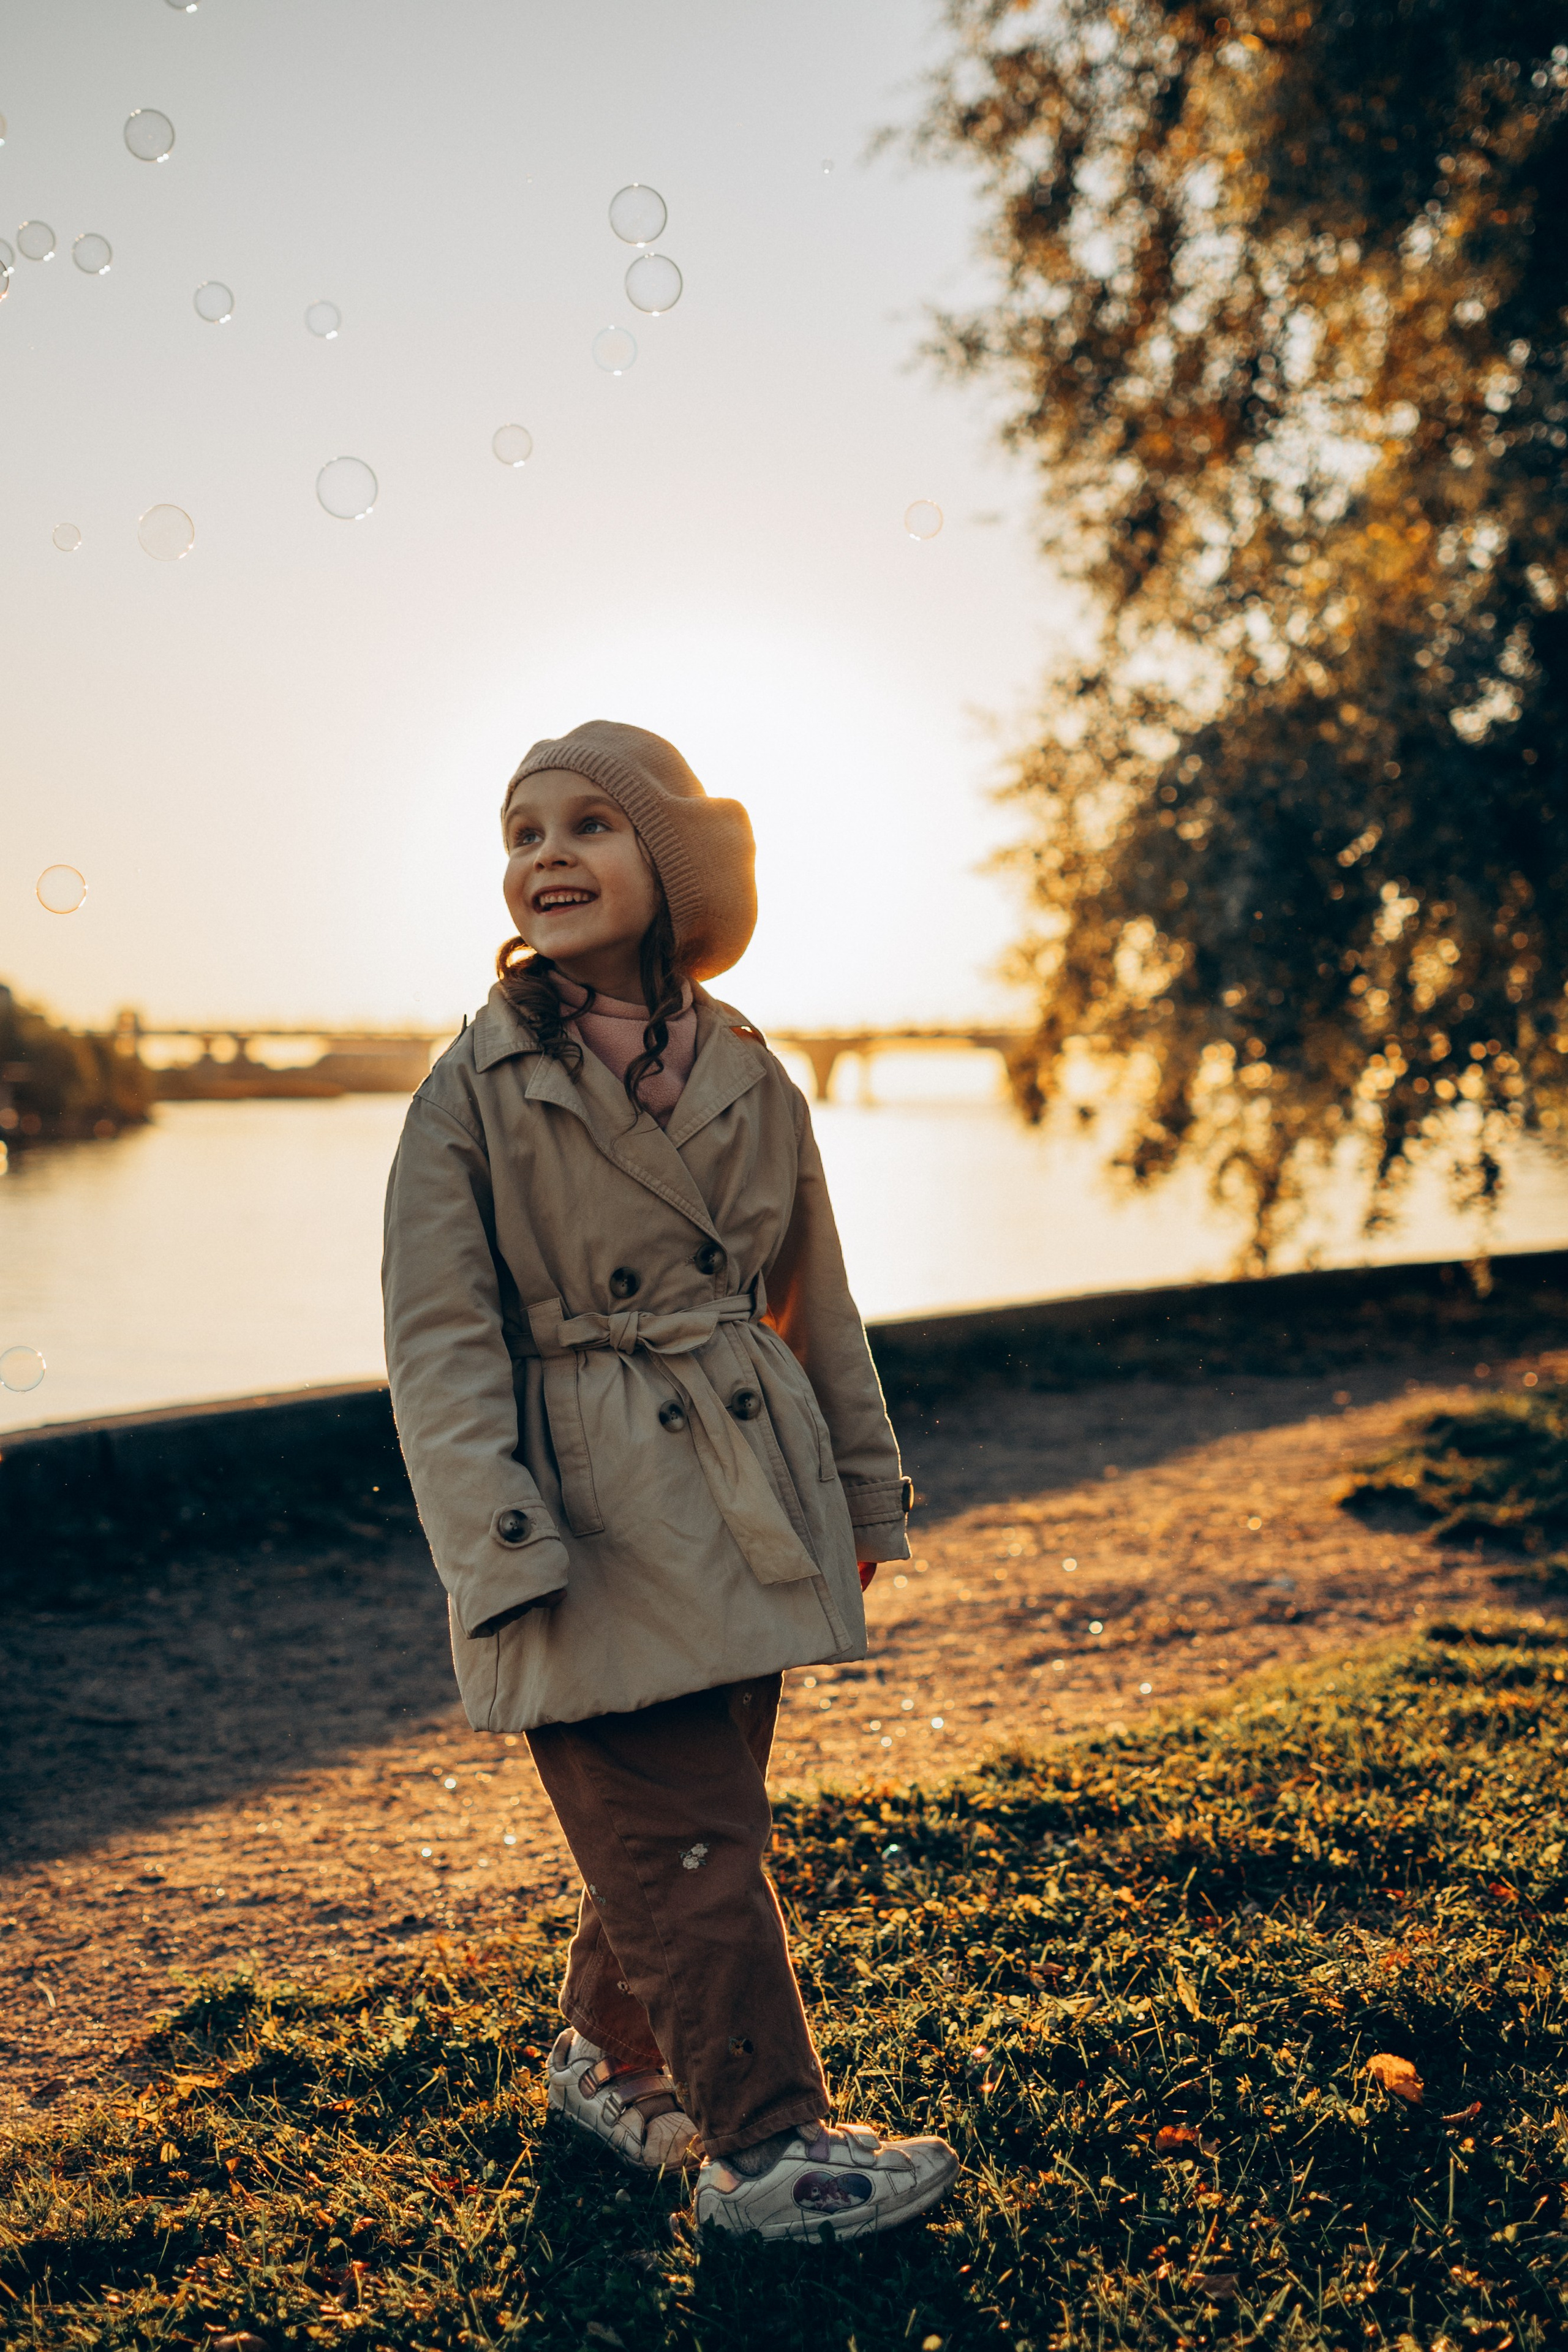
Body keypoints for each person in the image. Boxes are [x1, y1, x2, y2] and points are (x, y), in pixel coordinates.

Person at [382, 720, 958, 2244]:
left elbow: (810, 1304)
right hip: (582, 1515)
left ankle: (604, 2054)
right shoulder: (474, 1089)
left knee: (693, 1822)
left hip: (750, 1497)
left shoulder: (751, 1069)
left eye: (588, 825)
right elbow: (436, 1344)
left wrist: (860, 1496)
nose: (546, 856)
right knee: (683, 1839)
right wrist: (500, 1547)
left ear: (673, 866)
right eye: (521, 833)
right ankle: (765, 2149)